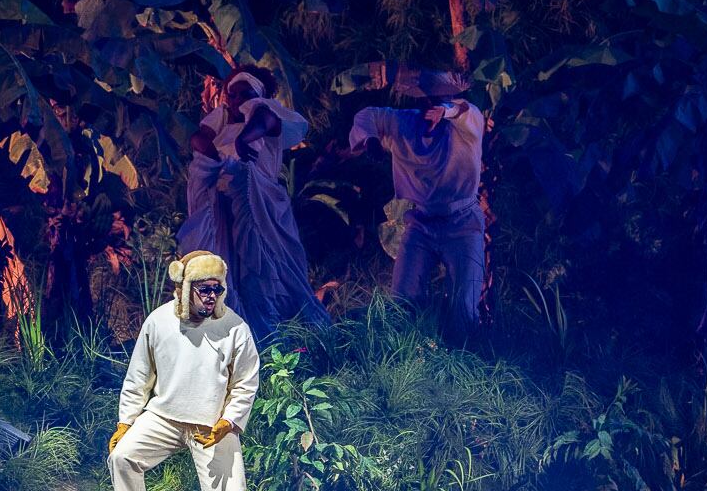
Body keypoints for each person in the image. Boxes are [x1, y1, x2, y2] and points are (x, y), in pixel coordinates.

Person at [107, 250, 261, 491]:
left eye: (217, 289)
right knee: (123, 457)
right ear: (184, 287)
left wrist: (227, 422)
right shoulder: (159, 322)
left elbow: (246, 383)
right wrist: (125, 423)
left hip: (212, 426)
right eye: (203, 289)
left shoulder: (235, 328)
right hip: (164, 415)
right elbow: (138, 377)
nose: (211, 296)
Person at [175, 67, 329, 342]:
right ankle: (246, 342)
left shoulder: (264, 113)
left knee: (263, 270)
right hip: (223, 207)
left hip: (259, 208)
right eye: (231, 95)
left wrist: (244, 137)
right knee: (229, 275)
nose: (236, 101)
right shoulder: (221, 120)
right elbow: (199, 139)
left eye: (244, 94)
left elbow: (263, 116)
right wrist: (213, 154)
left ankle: (284, 341)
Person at [346, 66, 488, 330]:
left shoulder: (466, 123)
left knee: (464, 306)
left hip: (463, 224)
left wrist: (445, 111)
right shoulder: (405, 122)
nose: (432, 103)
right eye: (428, 98)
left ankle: (466, 357)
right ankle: (406, 358)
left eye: (441, 97)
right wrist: (371, 141)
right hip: (420, 223)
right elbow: (367, 116)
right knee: (402, 299)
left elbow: (464, 113)